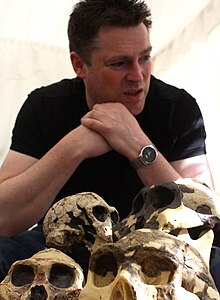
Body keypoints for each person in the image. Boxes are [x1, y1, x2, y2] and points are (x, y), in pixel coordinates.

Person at [0, 0, 218, 287]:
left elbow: (204, 220)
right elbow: (5, 217)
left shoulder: (178, 108)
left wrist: (138, 146)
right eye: (120, 63)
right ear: (79, 64)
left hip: (156, 248)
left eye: (144, 57)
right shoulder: (45, 105)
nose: (138, 76)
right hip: (63, 245)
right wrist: (73, 146)